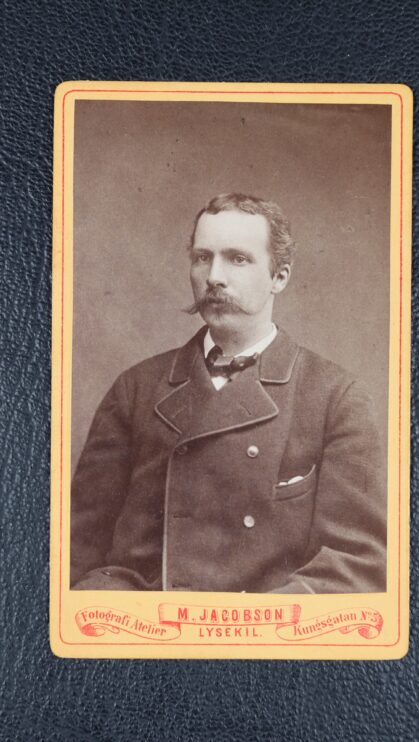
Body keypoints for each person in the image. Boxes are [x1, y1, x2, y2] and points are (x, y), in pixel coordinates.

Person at [71, 193, 386, 593]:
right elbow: (78, 547)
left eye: (238, 259)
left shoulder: (335, 398)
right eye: (203, 257)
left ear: (279, 277)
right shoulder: (135, 389)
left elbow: (355, 561)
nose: (214, 276)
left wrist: (256, 622)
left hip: (267, 622)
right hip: (147, 619)